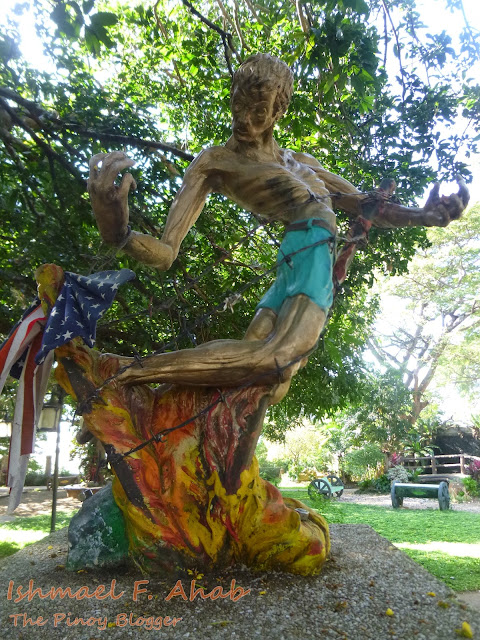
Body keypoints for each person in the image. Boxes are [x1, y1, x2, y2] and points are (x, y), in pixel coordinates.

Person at [88, 54, 468, 390]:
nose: (244, 120)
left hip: (303, 254)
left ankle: (181, 422)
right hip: (307, 255)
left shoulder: (302, 162)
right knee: (276, 361)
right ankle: (127, 371)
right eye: (239, 106)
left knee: (262, 378)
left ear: (277, 112)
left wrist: (423, 216)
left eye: (258, 112)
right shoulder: (215, 162)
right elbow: (167, 252)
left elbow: (368, 207)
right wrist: (118, 232)